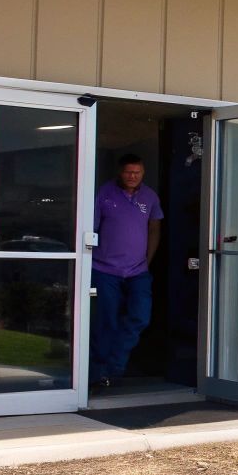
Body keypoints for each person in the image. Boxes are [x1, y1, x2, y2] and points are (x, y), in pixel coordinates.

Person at [91, 153, 162, 389]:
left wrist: (147, 261)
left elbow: (154, 229)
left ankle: (115, 366)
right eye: (128, 172)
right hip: (104, 269)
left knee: (140, 317)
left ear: (143, 173)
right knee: (106, 320)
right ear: (120, 173)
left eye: (137, 172)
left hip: (138, 271)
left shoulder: (150, 196)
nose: (133, 176)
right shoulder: (104, 193)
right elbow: (89, 229)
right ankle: (100, 372)